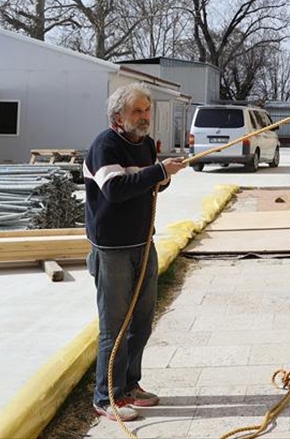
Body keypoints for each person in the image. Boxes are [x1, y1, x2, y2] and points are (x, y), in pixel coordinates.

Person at [83, 83, 187, 421]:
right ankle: (105, 397)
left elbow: (153, 183)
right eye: (137, 111)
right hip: (112, 248)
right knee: (114, 325)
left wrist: (166, 175)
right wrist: (158, 172)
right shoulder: (105, 145)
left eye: (147, 110)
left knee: (141, 322)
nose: (145, 117)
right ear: (118, 117)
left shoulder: (143, 145)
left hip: (143, 242)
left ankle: (129, 386)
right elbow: (114, 189)